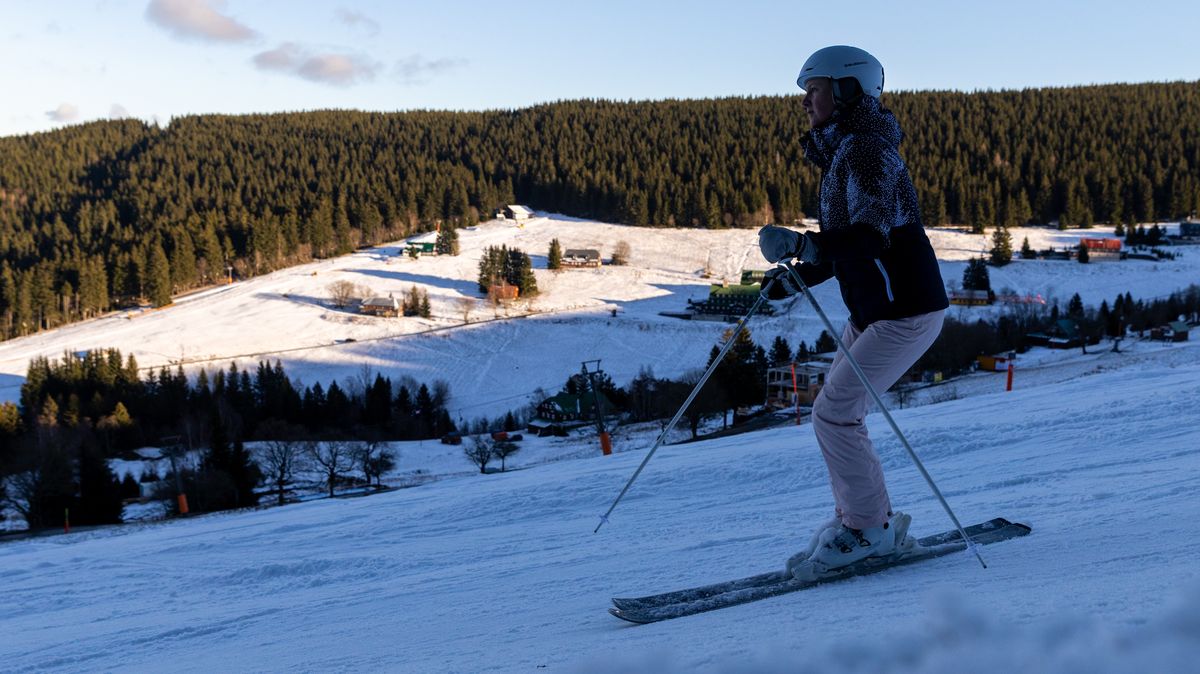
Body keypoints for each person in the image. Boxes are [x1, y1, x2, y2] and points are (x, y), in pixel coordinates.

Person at [757, 45, 950, 579]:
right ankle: (864, 520)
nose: (805, 103)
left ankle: (868, 529)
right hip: (877, 311)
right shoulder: (847, 150)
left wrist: (806, 244)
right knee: (835, 414)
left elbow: (868, 236)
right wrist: (800, 271)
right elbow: (852, 245)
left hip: (904, 310)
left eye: (813, 90)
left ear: (846, 91)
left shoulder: (865, 151)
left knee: (835, 413)